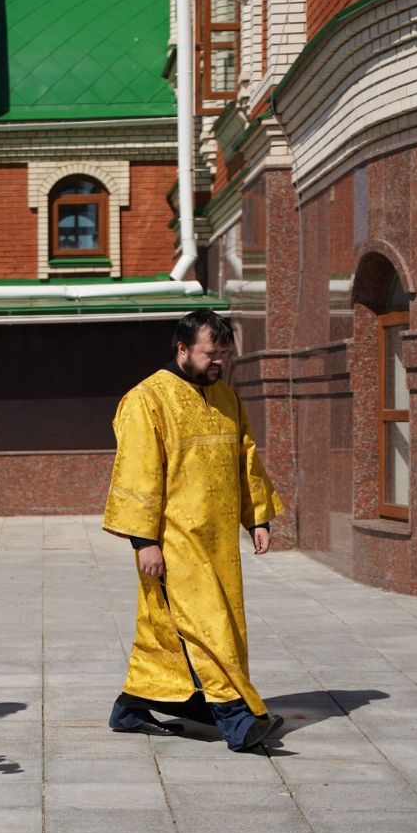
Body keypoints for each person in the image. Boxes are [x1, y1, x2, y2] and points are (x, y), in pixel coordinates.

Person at [103, 308, 284, 752]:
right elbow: (138, 473)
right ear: (182, 349)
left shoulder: (226, 398)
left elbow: (245, 459)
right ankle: (236, 719)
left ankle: (132, 708)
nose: (218, 362)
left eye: (223, 354)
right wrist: (144, 542)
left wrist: (257, 517)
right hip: (174, 540)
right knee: (205, 625)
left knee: (181, 630)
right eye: (210, 354)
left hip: (219, 542)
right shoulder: (147, 399)